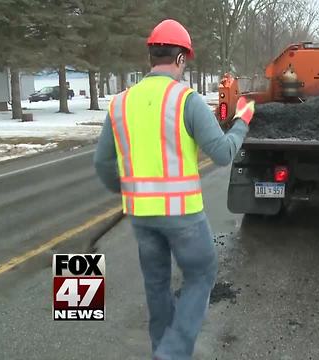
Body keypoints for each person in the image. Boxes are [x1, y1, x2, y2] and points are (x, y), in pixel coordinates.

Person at [93, 19, 255, 359]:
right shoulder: (187, 100)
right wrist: (242, 122)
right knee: (201, 274)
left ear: (152, 55)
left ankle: (161, 349)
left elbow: (103, 165)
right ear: (181, 59)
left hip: (142, 215)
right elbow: (223, 153)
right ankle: (172, 353)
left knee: (157, 288)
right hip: (183, 217)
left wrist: (126, 191)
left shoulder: (119, 103)